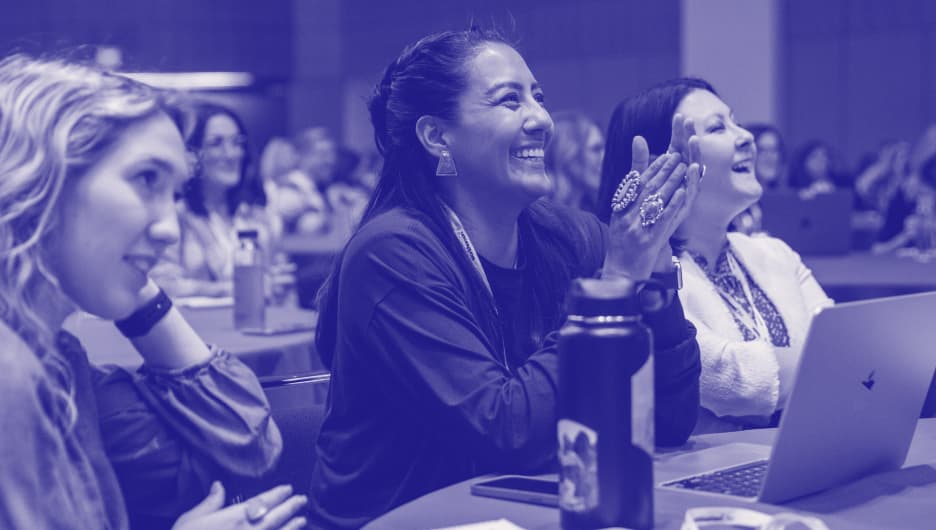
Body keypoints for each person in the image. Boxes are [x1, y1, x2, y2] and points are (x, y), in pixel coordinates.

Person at [308, 28, 703, 528]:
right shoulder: (392, 254)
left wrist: (656, 268)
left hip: (528, 510)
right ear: (437, 137)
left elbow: (669, 421)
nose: (540, 118)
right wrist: (617, 282)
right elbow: (507, 433)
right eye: (508, 101)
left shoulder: (571, 236)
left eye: (538, 97)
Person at [0, 54, 308, 529]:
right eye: (147, 179)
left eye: (175, 193)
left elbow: (247, 442)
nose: (170, 230)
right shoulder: (11, 372)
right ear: (42, 174)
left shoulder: (58, 356)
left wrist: (137, 288)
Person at [597, 78, 833, 434]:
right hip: (701, 475)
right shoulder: (648, 276)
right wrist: (826, 368)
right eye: (718, 128)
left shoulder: (774, 253)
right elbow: (729, 378)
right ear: (669, 162)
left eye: (735, 121)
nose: (746, 137)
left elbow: (840, 338)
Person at [152, 102, 283, 298]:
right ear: (191, 154)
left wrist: (280, 286)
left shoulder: (260, 218)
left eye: (237, 143)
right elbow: (159, 285)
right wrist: (231, 290)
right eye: (216, 143)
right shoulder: (173, 215)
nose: (231, 154)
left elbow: (277, 286)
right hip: (195, 326)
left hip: (252, 326)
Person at [544, 110, 605, 212]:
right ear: (569, 156)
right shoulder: (538, 216)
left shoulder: (597, 213)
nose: (604, 157)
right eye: (596, 149)